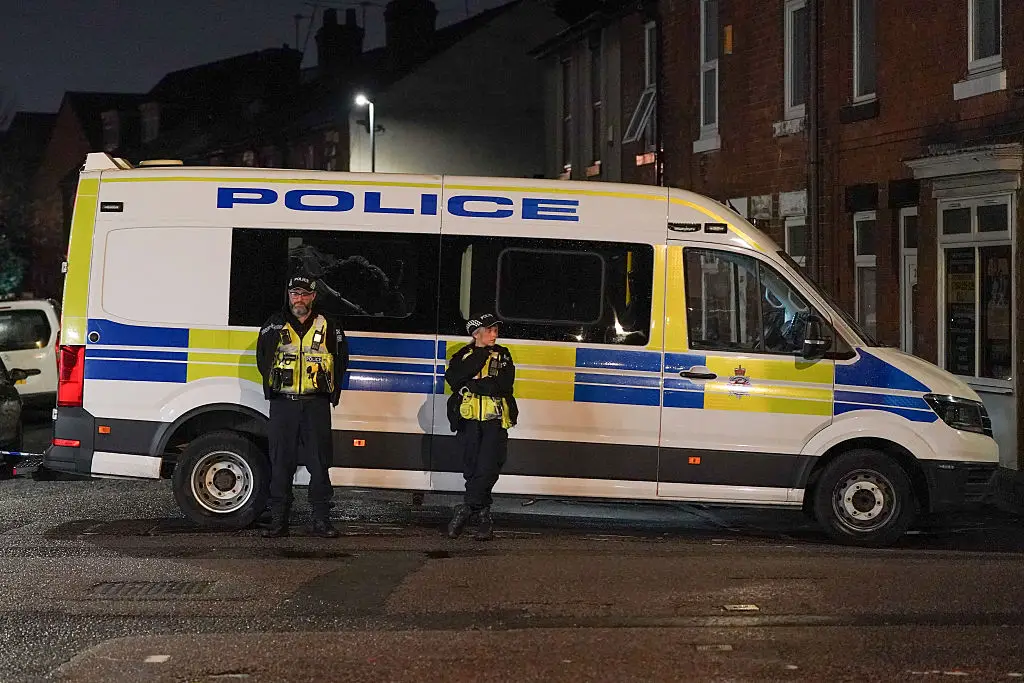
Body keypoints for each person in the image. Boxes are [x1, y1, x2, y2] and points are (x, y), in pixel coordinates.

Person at [256, 273, 348, 538]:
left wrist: (331, 392)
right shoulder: (274, 323)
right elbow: (263, 358)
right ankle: (278, 522)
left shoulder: (330, 324)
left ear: (313, 297)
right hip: (283, 405)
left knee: (319, 464)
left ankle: (321, 521)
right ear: (289, 296)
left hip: (315, 404)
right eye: (295, 294)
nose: (299, 298)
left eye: (304, 294)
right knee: (281, 462)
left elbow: (341, 360)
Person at [444, 313, 518, 540]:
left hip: (494, 422)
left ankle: (466, 509)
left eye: (496, 330)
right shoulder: (463, 355)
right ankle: (484, 517)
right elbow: (454, 378)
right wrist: (480, 354)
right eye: (490, 330)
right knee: (472, 470)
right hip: (468, 423)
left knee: (488, 468)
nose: (495, 334)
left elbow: (503, 384)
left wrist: (472, 386)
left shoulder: (503, 355)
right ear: (476, 333)